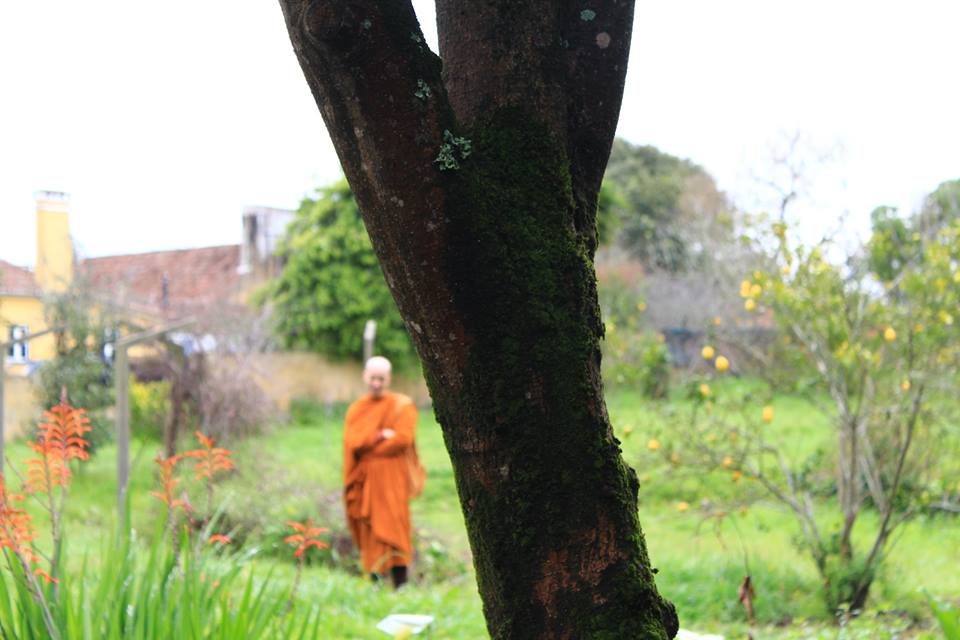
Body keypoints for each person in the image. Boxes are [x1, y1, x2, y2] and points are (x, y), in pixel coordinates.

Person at [343, 356, 422, 588]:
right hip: (366, 479)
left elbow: (402, 440)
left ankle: (400, 585)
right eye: (373, 378)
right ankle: (375, 584)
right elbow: (353, 442)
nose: (376, 383)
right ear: (365, 377)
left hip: (393, 479)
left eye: (381, 378)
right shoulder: (357, 409)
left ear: (389, 379)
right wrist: (380, 436)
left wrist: (370, 447)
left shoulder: (402, 406)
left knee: (396, 527)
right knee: (370, 529)